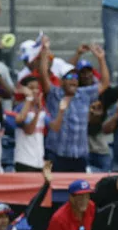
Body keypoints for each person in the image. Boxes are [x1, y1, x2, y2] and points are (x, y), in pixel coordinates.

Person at [38, 41, 110, 172]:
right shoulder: (54, 93)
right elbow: (43, 75)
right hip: (57, 155)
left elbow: (104, 83)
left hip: (80, 157)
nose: (74, 80)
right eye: (69, 76)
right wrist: (44, 53)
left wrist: (101, 58)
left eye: (76, 76)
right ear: (61, 81)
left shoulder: (84, 94)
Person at [11, 76, 51, 173]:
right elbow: (29, 130)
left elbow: (54, 127)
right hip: (24, 161)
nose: (35, 91)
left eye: (37, 87)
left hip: (39, 161)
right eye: (31, 88)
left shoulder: (42, 109)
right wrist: (37, 112)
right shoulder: (20, 108)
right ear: (23, 90)